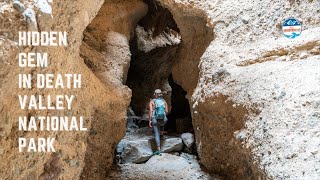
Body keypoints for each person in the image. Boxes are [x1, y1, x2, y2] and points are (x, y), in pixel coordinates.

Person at [149, 89, 169, 155]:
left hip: (155, 120)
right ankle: (162, 134)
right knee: (162, 123)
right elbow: (166, 111)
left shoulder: (152, 101)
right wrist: (162, 116)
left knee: (156, 133)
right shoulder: (164, 101)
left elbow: (151, 112)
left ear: (154, 94)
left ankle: (159, 150)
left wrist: (150, 120)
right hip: (164, 120)